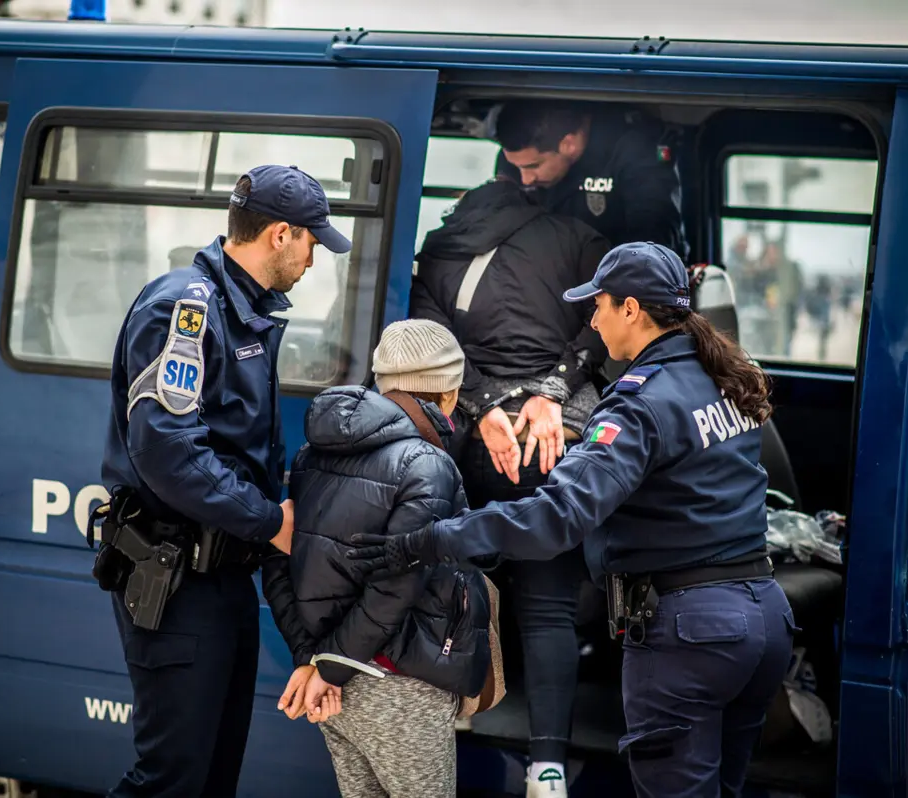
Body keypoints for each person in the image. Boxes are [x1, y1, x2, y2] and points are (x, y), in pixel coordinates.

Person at [349, 242, 795, 798]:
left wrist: (429, 539)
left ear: (631, 309)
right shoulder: (726, 376)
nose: (593, 320)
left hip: (692, 635)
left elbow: (556, 518)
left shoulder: (639, 405)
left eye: (599, 305)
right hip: (764, 619)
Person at [96, 164, 351, 798]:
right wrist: (269, 521)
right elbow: (168, 451)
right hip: (177, 577)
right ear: (280, 234)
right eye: (312, 242)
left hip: (223, 575)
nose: (313, 259)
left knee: (211, 779)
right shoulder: (186, 308)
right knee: (170, 781)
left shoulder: (242, 310)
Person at [409, 176, 609, 795]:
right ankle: (547, 768)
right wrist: (551, 391)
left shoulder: (438, 251)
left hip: (475, 446)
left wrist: (484, 405)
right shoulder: (575, 237)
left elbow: (432, 348)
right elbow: (602, 324)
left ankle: (457, 717)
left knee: (456, 587)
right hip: (552, 439)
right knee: (548, 608)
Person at [261, 318, 492, 798]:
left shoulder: (311, 454)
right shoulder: (428, 464)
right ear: (448, 395)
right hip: (401, 685)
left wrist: (313, 660)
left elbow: (280, 558)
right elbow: (396, 585)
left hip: (334, 684)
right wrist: (329, 667)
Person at [493, 99, 688, 257]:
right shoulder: (516, 157)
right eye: (516, 167)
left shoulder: (633, 149)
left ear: (569, 145)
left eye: (534, 166)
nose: (525, 179)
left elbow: (653, 236)